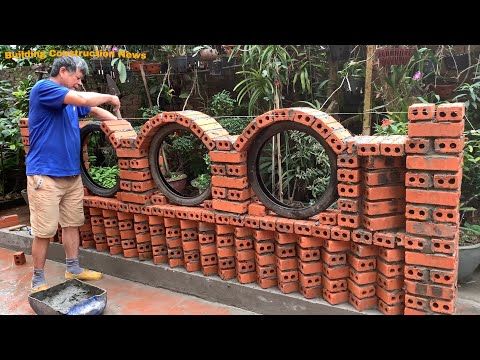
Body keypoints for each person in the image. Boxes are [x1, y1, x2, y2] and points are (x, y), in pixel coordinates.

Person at [26, 56, 121, 292]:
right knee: (44, 231)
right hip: (45, 176)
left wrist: (121, 124)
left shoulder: (69, 101)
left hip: (70, 175)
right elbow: (81, 99)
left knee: (71, 224)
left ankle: (73, 268)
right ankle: (38, 279)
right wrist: (110, 97)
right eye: (77, 77)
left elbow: (94, 110)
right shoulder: (45, 89)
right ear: (64, 71)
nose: (79, 82)